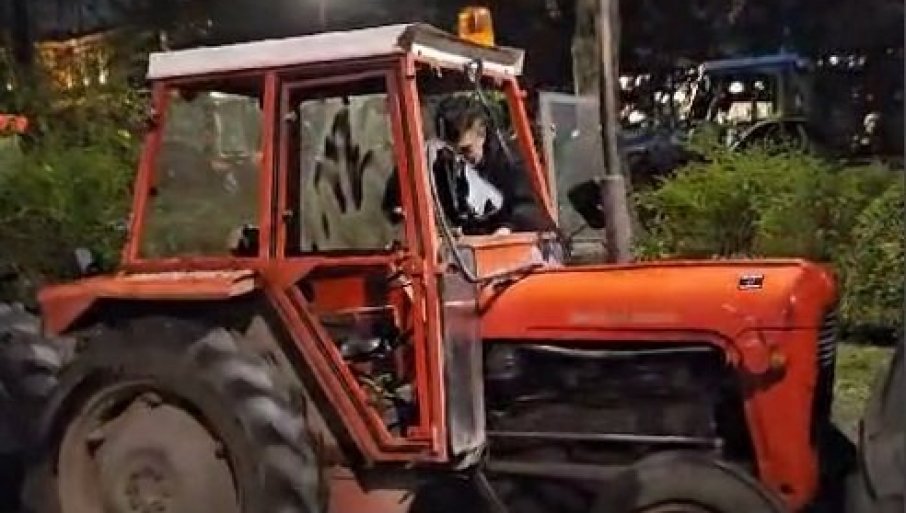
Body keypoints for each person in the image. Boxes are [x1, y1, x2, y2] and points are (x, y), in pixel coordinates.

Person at [384, 94, 550, 236]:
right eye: (451, 152)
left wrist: (507, 229)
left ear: (482, 133)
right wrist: (401, 210)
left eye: (466, 150)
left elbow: (531, 208)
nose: (459, 159)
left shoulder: (510, 161)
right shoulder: (439, 162)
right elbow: (398, 196)